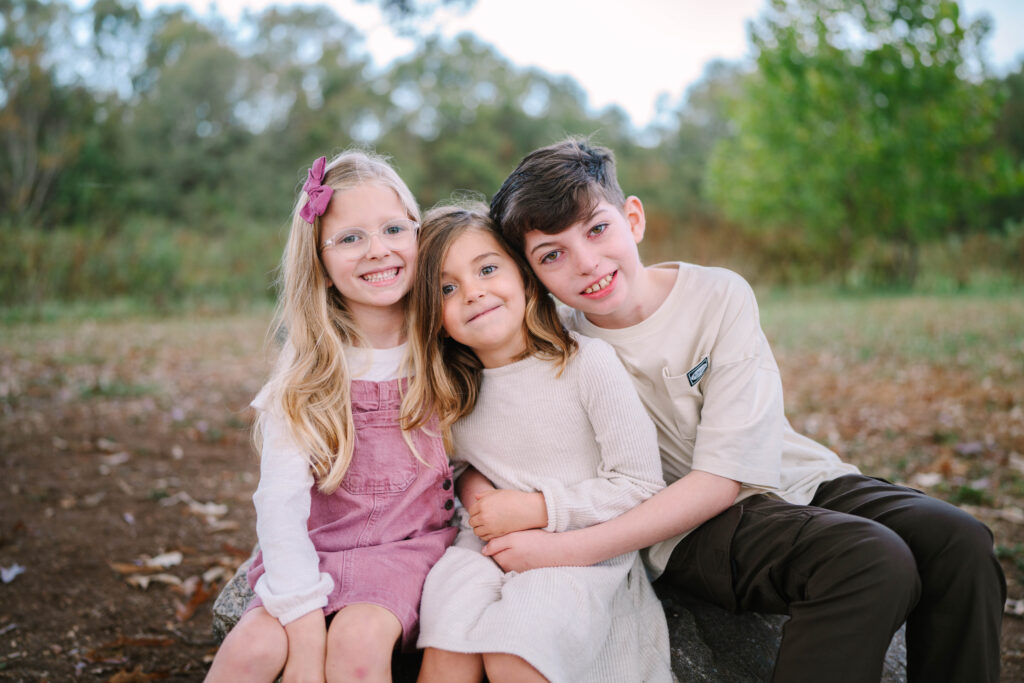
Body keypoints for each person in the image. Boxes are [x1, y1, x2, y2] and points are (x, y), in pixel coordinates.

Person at [478, 137, 1007, 683]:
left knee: (960, 541)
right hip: (685, 527)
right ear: (531, 274)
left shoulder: (716, 295)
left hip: (793, 475)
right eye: (552, 255)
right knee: (871, 561)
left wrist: (564, 550)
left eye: (597, 229)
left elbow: (727, 473)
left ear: (632, 217)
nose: (586, 263)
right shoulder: (554, 344)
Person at [204, 152, 457, 683]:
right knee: (248, 652)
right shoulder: (308, 374)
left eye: (393, 229)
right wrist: (302, 634)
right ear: (318, 259)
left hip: (403, 553)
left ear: (419, 234)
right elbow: (279, 505)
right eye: (349, 238)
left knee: (358, 652)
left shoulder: (445, 348)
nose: (378, 250)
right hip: (312, 553)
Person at [400, 203, 672, 683]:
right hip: (486, 547)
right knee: (448, 640)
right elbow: (462, 468)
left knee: (515, 653)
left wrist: (539, 510)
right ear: (435, 316)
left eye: (487, 269)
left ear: (526, 278)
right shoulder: (452, 392)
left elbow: (640, 483)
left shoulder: (587, 363)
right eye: (447, 287)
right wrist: (480, 500)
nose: (474, 292)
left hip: (579, 549)